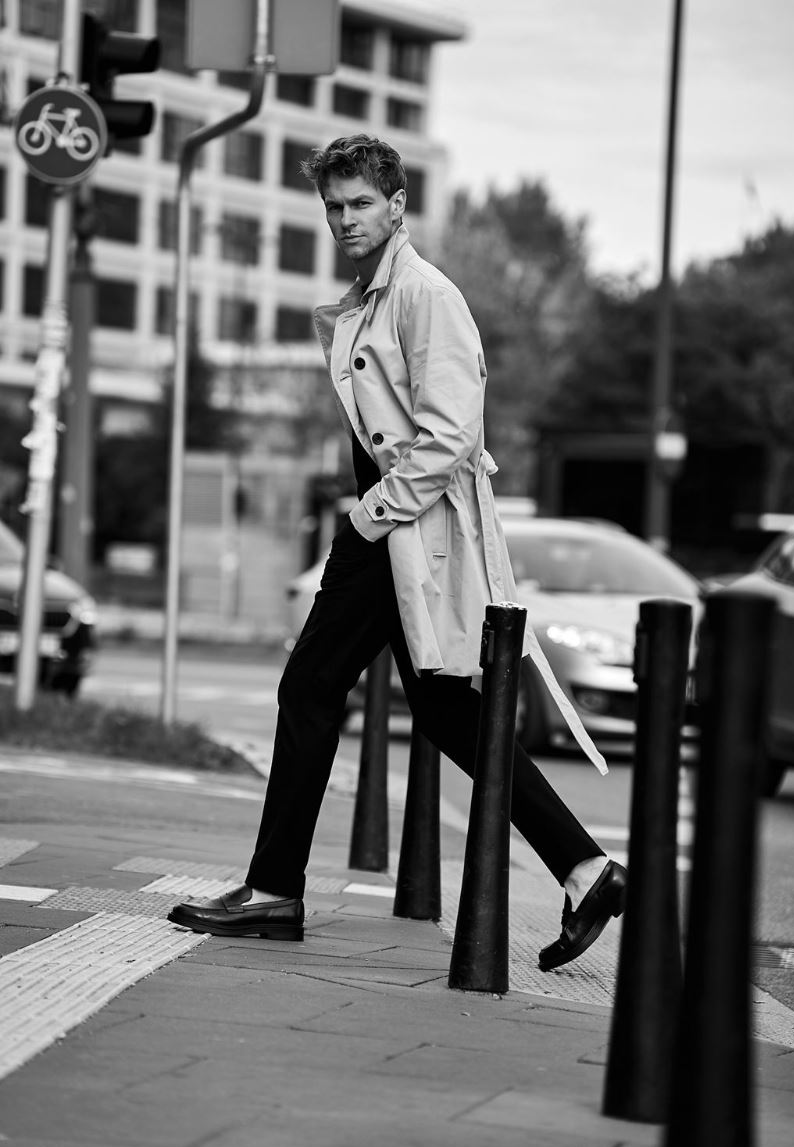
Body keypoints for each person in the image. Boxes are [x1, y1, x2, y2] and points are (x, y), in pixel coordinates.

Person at [168, 134, 626, 972]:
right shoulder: (375, 298)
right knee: (447, 711)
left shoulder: (424, 295)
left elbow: (450, 435)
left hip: (398, 533)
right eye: (334, 207)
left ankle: (273, 890)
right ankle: (586, 869)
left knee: (309, 688)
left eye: (360, 204)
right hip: (396, 535)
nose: (346, 219)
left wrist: (366, 519)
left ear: (397, 205)